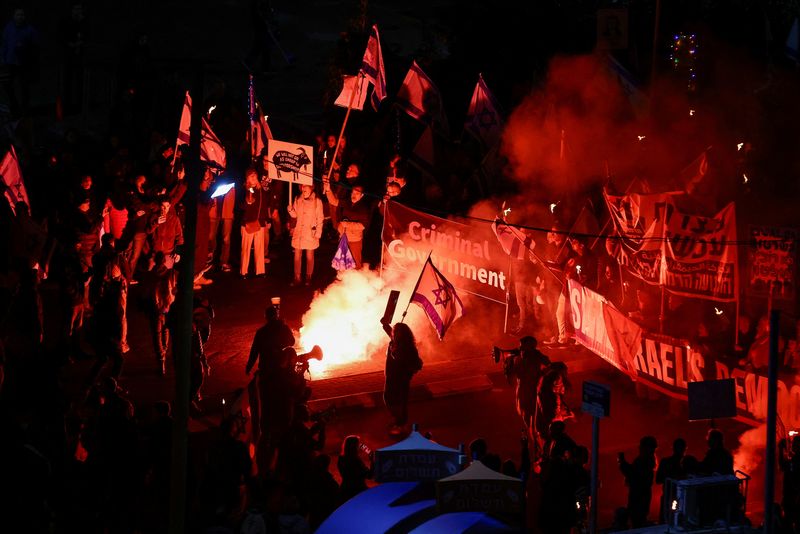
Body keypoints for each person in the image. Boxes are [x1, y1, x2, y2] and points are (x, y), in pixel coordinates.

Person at [245, 305, 296, 473]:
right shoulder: (283, 328)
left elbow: (254, 351)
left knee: (266, 404)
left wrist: (249, 367)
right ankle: (281, 432)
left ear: (266, 317)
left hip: (267, 373)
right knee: (282, 401)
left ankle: (265, 433)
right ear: (276, 315)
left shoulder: (262, 332)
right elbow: (292, 342)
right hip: (280, 371)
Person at [380, 320, 423, 435]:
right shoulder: (394, 342)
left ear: (403, 334)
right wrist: (385, 325)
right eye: (394, 331)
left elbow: (417, 363)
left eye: (397, 332)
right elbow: (390, 332)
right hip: (390, 378)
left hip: (401, 379)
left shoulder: (408, 347)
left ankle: (400, 424)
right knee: (388, 398)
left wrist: (407, 372)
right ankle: (398, 421)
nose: (394, 333)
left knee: (400, 401)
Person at [506, 336, 551, 444]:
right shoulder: (516, 357)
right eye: (520, 346)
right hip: (522, 390)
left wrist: (541, 376)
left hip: (535, 391)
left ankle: (540, 441)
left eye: (523, 347)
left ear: (532, 348)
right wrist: (508, 368)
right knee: (526, 417)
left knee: (537, 419)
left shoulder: (538, 356)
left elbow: (550, 366)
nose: (520, 349)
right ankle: (535, 440)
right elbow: (510, 380)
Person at [618, 436, 658, 528]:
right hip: (642, 495)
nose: (639, 448)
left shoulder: (643, 461)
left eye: (641, 446)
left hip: (638, 495)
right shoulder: (647, 461)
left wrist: (623, 463)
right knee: (639, 519)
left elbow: (634, 475)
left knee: (637, 520)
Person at [287, 184, 324, 286]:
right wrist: (291, 210)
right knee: (297, 255)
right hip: (299, 231)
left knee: (309, 255)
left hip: (310, 232)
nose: (304, 188)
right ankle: (297, 277)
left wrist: (318, 232)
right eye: (302, 187)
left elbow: (320, 218)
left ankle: (308, 276)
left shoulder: (317, 201)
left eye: (306, 186)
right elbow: (295, 215)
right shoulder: (297, 199)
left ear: (311, 187)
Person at [239, 169, 270, 278]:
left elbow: (265, 205)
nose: (254, 178)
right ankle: (243, 271)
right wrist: (247, 201)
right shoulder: (244, 190)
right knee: (246, 249)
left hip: (259, 223)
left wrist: (266, 220)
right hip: (247, 223)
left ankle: (260, 271)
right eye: (251, 176)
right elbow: (240, 206)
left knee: (259, 248)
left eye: (255, 176)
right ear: (247, 178)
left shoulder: (261, 191)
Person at [331, 184, 370, 268]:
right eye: (352, 193)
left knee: (355, 262)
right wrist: (327, 189)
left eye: (357, 193)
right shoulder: (347, 202)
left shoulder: (363, 208)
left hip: (354, 240)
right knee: (342, 260)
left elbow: (362, 226)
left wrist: (347, 224)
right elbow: (333, 201)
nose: (354, 195)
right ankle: (344, 279)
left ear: (362, 195)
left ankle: (357, 279)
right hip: (343, 236)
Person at [656, 438, 687, 523]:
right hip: (678, 497)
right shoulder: (686, 463)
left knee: (668, 521)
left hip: (675, 497)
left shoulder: (666, 462)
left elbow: (658, 479)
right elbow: (658, 479)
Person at [208, 177, 235, 272]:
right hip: (214, 210)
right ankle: (209, 261)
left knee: (226, 239)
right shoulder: (212, 175)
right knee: (210, 237)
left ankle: (224, 261)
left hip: (227, 211)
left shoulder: (231, 175)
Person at [337, 435, 372, 502]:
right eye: (358, 444)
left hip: (345, 489)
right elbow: (369, 475)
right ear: (354, 446)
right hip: (357, 490)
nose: (360, 446)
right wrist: (373, 461)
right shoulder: (355, 460)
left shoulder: (341, 459)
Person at [779, 435, 800, 533]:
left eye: (794, 444)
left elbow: (783, 466)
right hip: (792, 497)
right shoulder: (793, 460)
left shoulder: (795, 461)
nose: (792, 446)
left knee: (789, 523)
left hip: (792, 497)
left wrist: (780, 449)